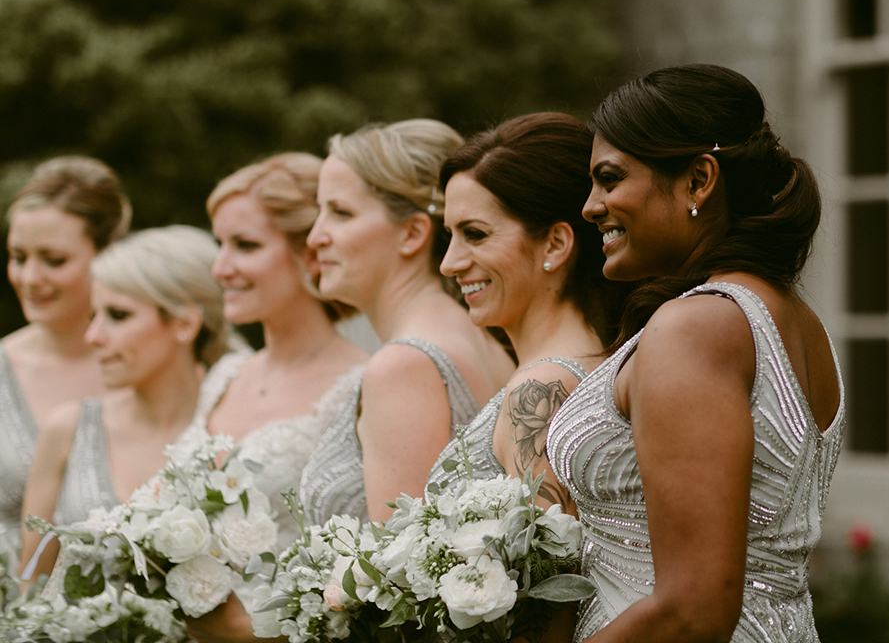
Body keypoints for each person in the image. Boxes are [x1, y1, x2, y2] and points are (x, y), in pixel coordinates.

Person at [545, 64, 845, 643]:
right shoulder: (790, 317)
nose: (589, 205)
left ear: (699, 180)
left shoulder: (696, 329)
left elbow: (693, 610)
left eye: (609, 179)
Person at [183, 153, 369, 643]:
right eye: (219, 244)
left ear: (311, 252)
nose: (221, 267)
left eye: (244, 245)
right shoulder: (224, 374)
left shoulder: (361, 385)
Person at [297, 120, 513, 526]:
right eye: (319, 212)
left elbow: (395, 576)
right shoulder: (476, 332)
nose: (314, 237)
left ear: (413, 233)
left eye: (340, 212)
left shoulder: (404, 365)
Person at [430, 112, 622, 510]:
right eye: (450, 236)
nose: (449, 264)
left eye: (475, 234)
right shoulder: (581, 366)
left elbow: (555, 567)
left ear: (554, 245)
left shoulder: (539, 393)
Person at [19, 225, 229, 577]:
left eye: (117, 315)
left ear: (184, 323)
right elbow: (29, 587)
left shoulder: (232, 430)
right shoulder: (68, 430)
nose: (93, 336)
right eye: (93, 316)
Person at [1, 156, 130, 562]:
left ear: (107, 254)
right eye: (19, 257)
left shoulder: (151, 367)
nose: (30, 278)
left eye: (54, 260)